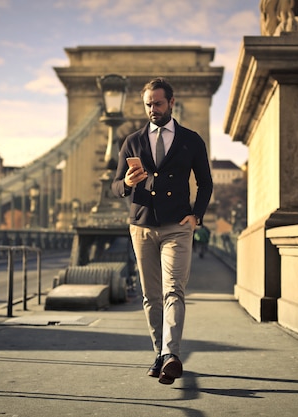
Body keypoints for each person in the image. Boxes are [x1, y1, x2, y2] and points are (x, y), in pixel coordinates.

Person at [112, 77, 213, 385]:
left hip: (178, 227)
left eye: (157, 103)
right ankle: (161, 354)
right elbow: (115, 185)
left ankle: (171, 354)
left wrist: (196, 216)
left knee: (174, 290)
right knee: (151, 295)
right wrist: (127, 184)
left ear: (171, 102)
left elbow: (205, 182)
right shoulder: (132, 140)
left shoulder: (191, 139)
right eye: (148, 105)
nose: (152, 109)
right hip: (141, 225)